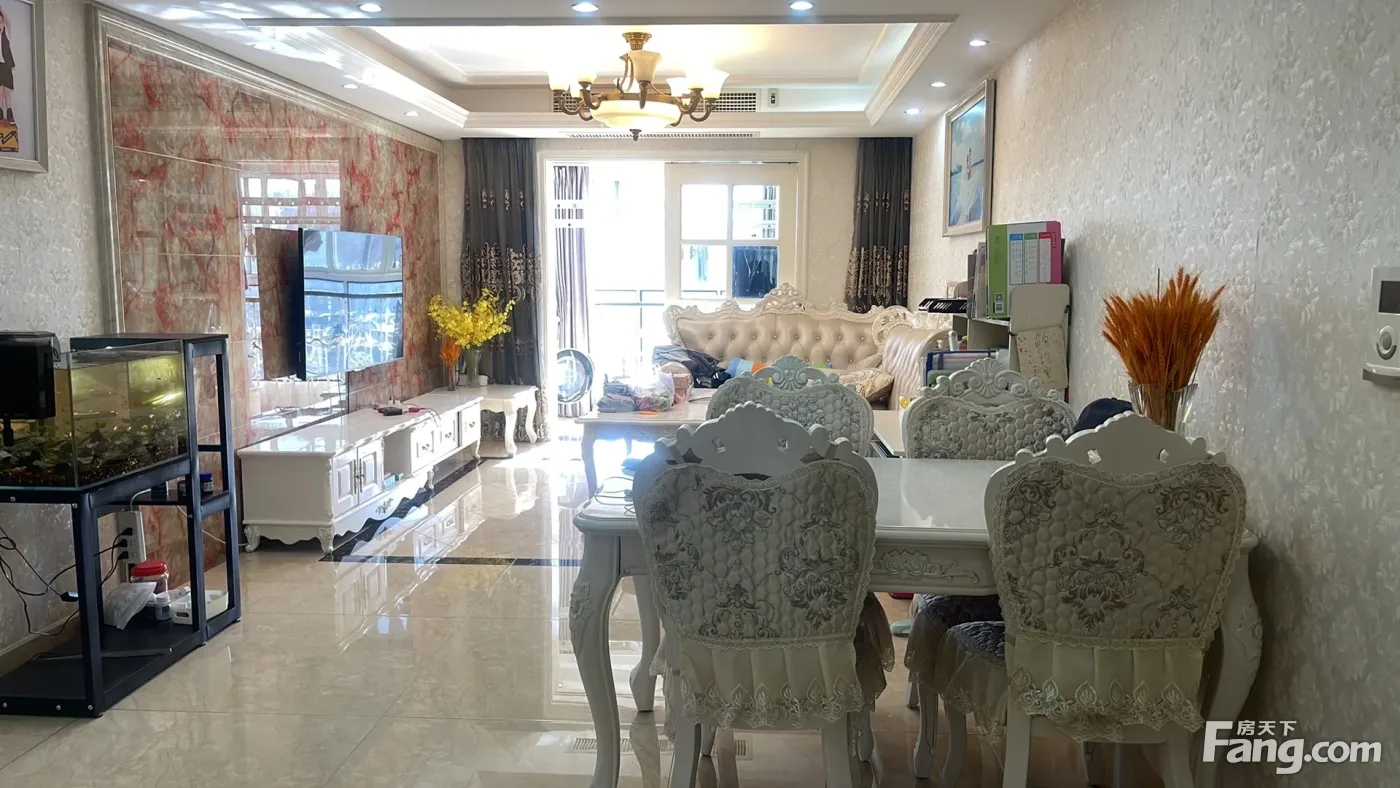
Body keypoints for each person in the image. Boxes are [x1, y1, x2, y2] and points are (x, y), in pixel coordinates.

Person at [0, 8, 14, 125]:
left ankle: (9, 113)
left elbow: (9, 21)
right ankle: (0, 112)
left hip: (6, 66)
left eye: (0, 22)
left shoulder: (7, 35)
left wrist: (1, 10)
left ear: (3, 23)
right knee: (0, 92)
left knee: (7, 92)